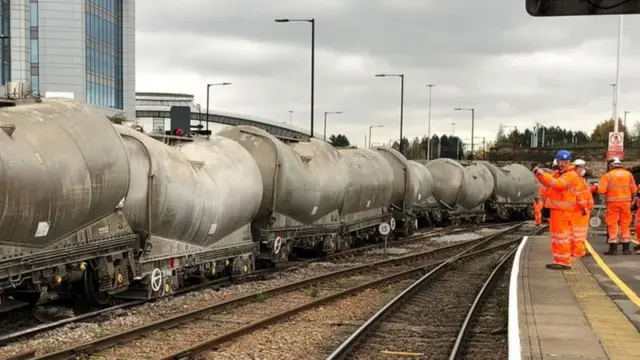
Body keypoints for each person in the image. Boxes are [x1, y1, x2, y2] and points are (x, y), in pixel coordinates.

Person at [534, 150, 582, 270]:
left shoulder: (571, 175)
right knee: (557, 237)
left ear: (569, 162)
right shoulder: (560, 173)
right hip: (557, 209)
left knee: (562, 236)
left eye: (565, 161)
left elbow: (558, 184)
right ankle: (559, 260)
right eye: (561, 161)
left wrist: (543, 174)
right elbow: (548, 183)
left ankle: (564, 261)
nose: (562, 164)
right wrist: (539, 175)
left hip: (563, 210)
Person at [597, 157, 637, 255]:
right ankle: (626, 248)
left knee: (612, 223)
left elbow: (601, 190)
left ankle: (613, 248)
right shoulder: (628, 175)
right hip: (626, 203)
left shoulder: (607, 176)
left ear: (611, 165)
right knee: (625, 224)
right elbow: (634, 190)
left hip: (612, 203)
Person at [572, 159, 593, 258]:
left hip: (579, 209)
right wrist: (583, 207)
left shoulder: (579, 179)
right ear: (575, 168)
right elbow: (578, 195)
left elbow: (585, 192)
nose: (583, 169)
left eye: (583, 167)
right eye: (581, 167)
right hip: (580, 210)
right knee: (579, 233)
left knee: (576, 232)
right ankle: (579, 252)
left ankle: (576, 250)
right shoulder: (577, 180)